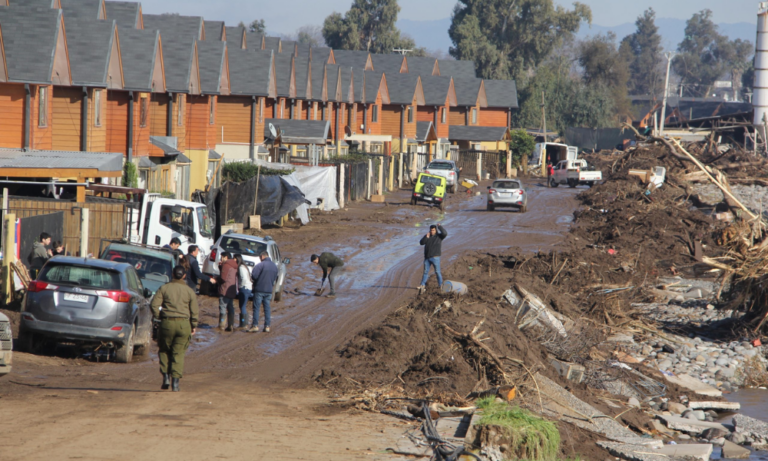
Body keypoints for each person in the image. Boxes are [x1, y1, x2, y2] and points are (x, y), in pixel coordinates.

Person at [150, 265, 199, 392]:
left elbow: (154, 305)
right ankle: (175, 384)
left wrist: (159, 317)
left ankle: (166, 377)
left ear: (172, 274)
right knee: (179, 353)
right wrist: (193, 325)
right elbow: (194, 311)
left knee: (164, 350)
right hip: (184, 325)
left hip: (167, 324)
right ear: (184, 276)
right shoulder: (189, 291)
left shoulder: (164, 288)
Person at [249, 251, 278, 332]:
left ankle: (255, 325)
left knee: (256, 308)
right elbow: (276, 278)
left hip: (259, 289)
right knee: (267, 308)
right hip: (269, 290)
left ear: (262, 256)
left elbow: (254, 276)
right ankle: (267, 326)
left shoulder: (260, 265)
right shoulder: (274, 266)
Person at [418, 224, 447, 293]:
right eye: (431, 230)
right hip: (427, 258)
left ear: (436, 230)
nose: (432, 231)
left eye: (433, 230)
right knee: (425, 272)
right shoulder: (427, 236)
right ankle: (422, 285)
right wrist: (426, 237)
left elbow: (445, 233)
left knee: (437, 272)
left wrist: (440, 226)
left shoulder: (439, 237)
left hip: (435, 258)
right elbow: (421, 243)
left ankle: (441, 285)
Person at [217, 251, 239, 331]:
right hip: (231, 290)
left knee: (222, 307)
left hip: (224, 289)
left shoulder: (226, 265)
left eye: (222, 257)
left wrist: (216, 279)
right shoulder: (234, 265)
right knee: (230, 307)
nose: (221, 259)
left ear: (226, 257)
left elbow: (223, 278)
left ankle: (221, 325)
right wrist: (220, 267)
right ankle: (231, 325)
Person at [235, 254, 252, 329]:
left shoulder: (241, 267)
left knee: (242, 306)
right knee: (243, 306)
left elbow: (244, 278)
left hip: (244, 288)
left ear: (237, 259)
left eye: (234, 259)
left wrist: (241, 286)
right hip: (248, 288)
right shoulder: (244, 267)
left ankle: (243, 324)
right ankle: (244, 323)